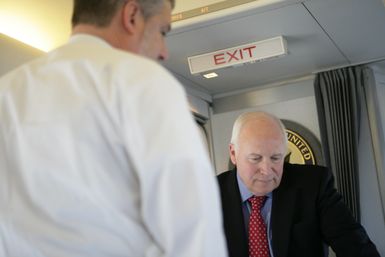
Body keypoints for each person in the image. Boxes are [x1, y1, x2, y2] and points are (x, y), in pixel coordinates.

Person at [0, 0, 228, 256]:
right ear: (131, 16)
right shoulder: (143, 83)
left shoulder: (7, 93)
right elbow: (194, 230)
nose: (164, 52)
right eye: (162, 32)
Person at [217, 111, 380, 257]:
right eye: (255, 158)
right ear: (233, 153)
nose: (266, 171)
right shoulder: (210, 195)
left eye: (275, 158)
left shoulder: (314, 184)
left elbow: (354, 245)